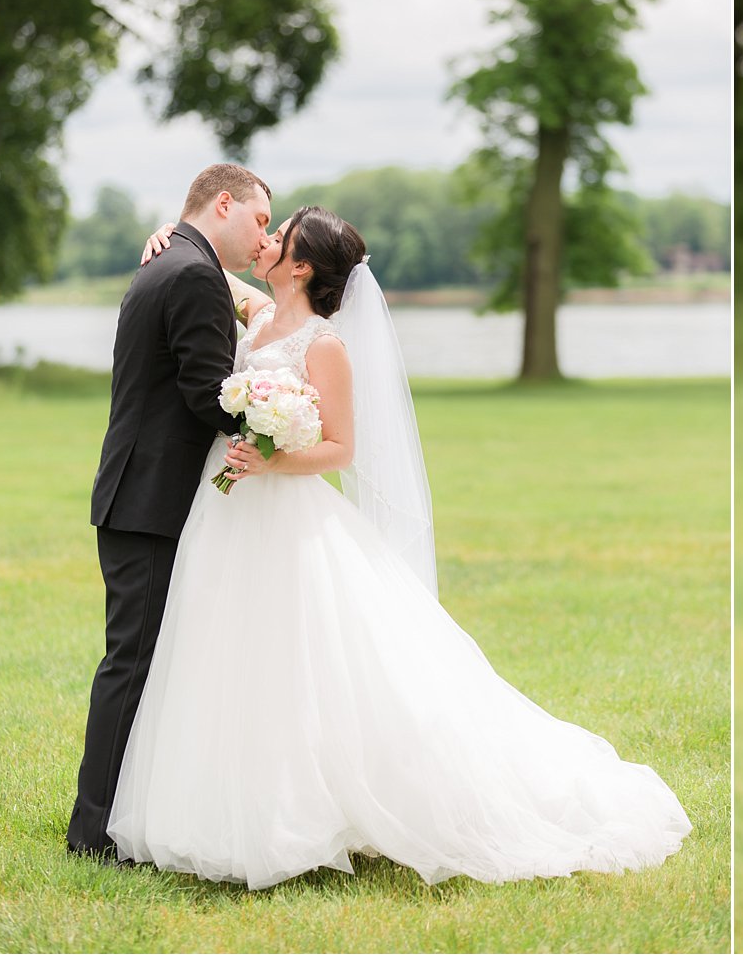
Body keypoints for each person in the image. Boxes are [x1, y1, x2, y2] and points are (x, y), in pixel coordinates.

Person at [107, 206, 691, 889]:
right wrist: (163, 235)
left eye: (280, 233)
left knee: (302, 659)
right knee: (230, 651)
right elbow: (199, 262)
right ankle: (227, 808)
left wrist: (273, 453)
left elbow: (340, 447)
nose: (264, 239)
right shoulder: (261, 315)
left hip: (286, 510)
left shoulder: (325, 346)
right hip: (227, 513)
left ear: (300, 265)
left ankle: (308, 814)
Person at [69, 164, 272, 858]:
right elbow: (205, 393)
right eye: (259, 219)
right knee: (131, 663)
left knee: (139, 662)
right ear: (224, 203)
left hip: (139, 492)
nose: (263, 234)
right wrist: (272, 418)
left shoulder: (173, 260)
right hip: (149, 499)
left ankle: (120, 817)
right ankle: (92, 832)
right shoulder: (189, 273)